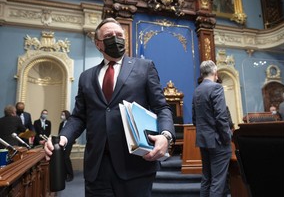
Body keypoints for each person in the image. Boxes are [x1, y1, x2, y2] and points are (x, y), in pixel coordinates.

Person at [44, 18, 175, 197]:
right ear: (98, 44)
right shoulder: (86, 77)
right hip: (97, 167)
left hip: (135, 166)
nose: (115, 38)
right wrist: (64, 137)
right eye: (109, 36)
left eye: (119, 35)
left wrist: (166, 136)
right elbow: (78, 117)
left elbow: (162, 107)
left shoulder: (144, 67)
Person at [192, 60, 232, 197]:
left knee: (206, 179)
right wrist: (227, 137)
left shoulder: (197, 90)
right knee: (218, 181)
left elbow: (194, 118)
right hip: (218, 141)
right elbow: (221, 116)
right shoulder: (216, 87)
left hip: (203, 140)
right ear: (215, 73)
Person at [58, 110, 75, 182]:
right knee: (62, 158)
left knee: (66, 157)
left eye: (63, 114)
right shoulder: (61, 123)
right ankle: (64, 174)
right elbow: (59, 133)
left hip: (69, 142)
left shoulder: (70, 123)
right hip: (62, 143)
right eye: (61, 114)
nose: (62, 116)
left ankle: (70, 174)